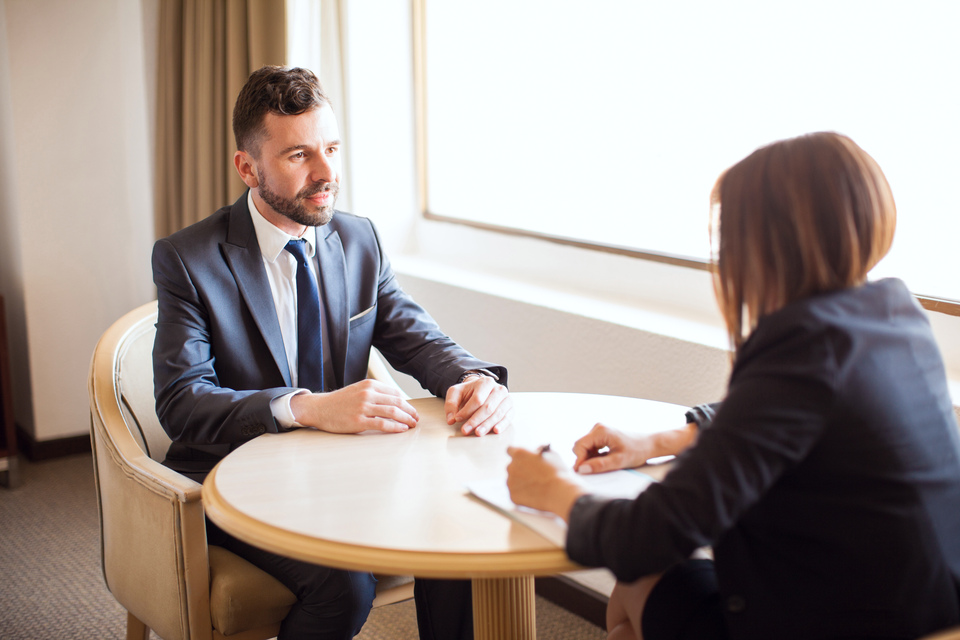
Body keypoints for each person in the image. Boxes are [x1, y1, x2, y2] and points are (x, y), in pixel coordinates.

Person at [506, 132, 960, 640]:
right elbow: (801, 417)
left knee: (636, 581)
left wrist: (554, 490)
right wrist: (660, 441)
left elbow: (649, 536)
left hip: (843, 619)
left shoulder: (800, 344)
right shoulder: (894, 314)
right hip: (928, 604)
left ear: (771, 241)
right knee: (636, 616)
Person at [152, 65, 511, 640]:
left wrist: (470, 378)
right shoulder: (189, 259)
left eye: (332, 149)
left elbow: (416, 336)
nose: (326, 174)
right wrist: (307, 408)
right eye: (298, 156)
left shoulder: (358, 238)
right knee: (343, 587)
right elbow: (181, 401)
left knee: (458, 532)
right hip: (234, 477)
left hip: (349, 471)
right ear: (248, 167)